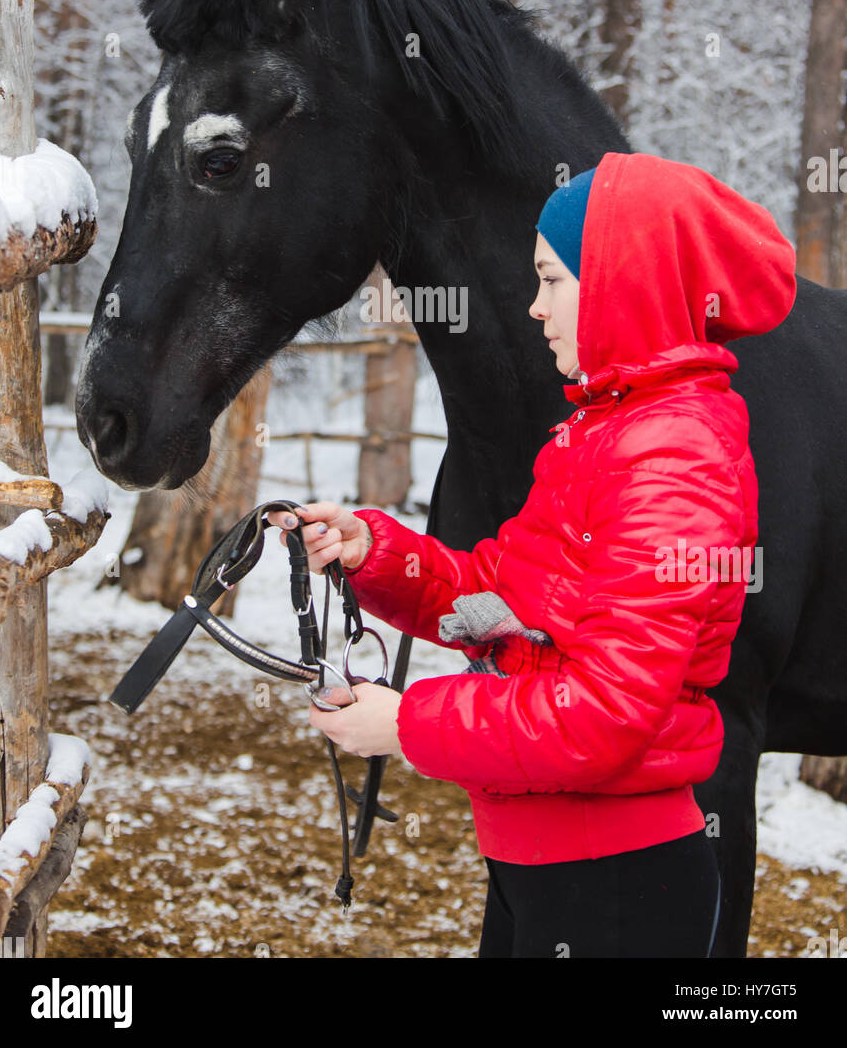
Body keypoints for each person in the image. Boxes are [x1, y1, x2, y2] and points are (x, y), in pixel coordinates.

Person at [266, 151, 797, 958]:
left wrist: (408, 724)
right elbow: (499, 595)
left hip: (615, 881)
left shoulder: (673, 460)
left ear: (622, 284)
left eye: (553, 280)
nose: (534, 307)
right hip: (548, 861)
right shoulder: (604, 435)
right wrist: (373, 550)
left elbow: (605, 716)